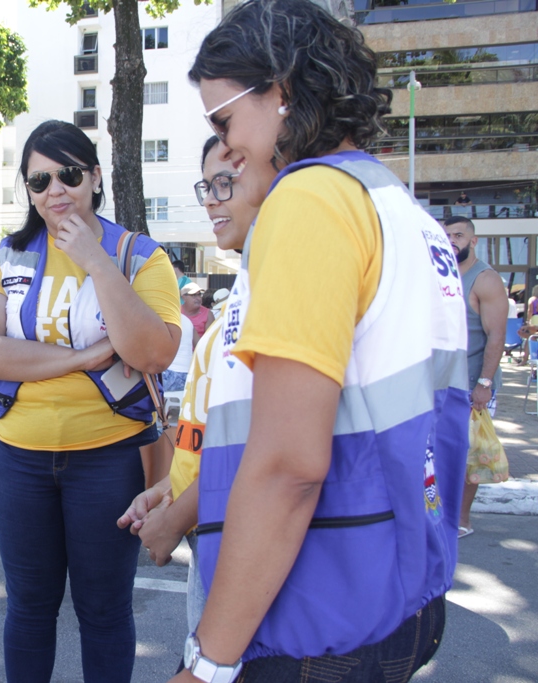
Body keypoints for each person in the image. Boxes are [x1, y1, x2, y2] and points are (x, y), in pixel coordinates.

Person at [174, 1, 468, 680]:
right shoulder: (399, 208)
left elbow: (288, 465)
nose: (226, 148)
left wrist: (208, 662)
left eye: (223, 121)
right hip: (401, 591)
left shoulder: (308, 199)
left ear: (280, 90)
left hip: (317, 609)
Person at [0, 119, 180, 683]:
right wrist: (83, 358)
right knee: (29, 608)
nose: (54, 190)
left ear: (96, 177)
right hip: (19, 458)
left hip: (111, 458)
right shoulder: (7, 255)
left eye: (69, 175)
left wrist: (95, 260)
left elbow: (153, 352)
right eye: (39, 181)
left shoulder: (137, 255)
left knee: (104, 611)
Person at [119, 134, 277, 643]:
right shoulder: (246, 290)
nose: (210, 199)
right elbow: (212, 433)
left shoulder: (278, 289)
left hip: (244, 539)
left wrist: (175, 518)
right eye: (206, 186)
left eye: (225, 182)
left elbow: (268, 445)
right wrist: (170, 489)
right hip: (212, 528)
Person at [444, 215, 508, 539]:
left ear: (473, 240)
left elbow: (496, 336)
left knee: (469, 457)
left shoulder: (485, 280)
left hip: (473, 384)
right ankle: (443, 516)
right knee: (445, 452)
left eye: (458, 235)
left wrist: (484, 384)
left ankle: (462, 519)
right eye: (447, 235)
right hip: (443, 381)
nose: (452, 240)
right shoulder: (441, 273)